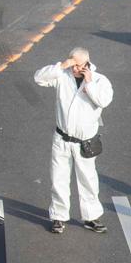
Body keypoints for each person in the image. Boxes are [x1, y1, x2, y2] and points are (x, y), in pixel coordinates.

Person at [34, 47, 114, 234]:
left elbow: (104, 101)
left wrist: (89, 84)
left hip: (84, 142)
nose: (75, 69)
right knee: (59, 179)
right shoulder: (62, 76)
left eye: (78, 65)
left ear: (87, 64)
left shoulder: (100, 80)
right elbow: (39, 78)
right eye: (72, 65)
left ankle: (91, 217)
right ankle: (58, 217)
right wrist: (62, 66)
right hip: (62, 139)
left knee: (88, 180)